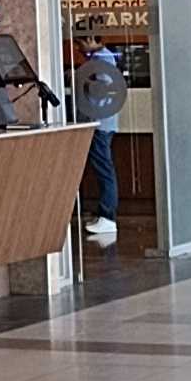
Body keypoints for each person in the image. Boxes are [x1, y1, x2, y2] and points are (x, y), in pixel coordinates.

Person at [73, 36, 124, 248]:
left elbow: (102, 89)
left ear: (92, 39)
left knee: (104, 169)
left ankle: (108, 216)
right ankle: (105, 215)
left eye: (80, 43)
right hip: (101, 122)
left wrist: (82, 82)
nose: (79, 48)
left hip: (99, 123)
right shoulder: (101, 59)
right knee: (103, 167)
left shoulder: (102, 60)